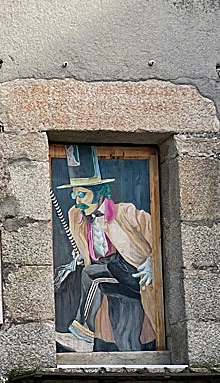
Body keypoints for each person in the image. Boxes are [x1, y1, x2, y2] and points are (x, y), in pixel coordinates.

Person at [54, 144, 157, 352]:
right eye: (75, 195)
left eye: (82, 195)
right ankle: (90, 334)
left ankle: (84, 331)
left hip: (131, 270)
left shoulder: (125, 212)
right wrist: (75, 261)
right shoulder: (77, 215)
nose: (78, 201)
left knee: (91, 274)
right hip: (109, 272)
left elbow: (158, 232)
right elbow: (87, 248)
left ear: (99, 192)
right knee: (92, 273)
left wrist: (152, 262)